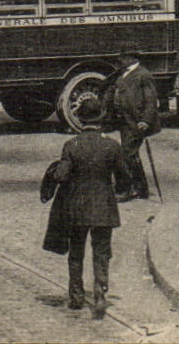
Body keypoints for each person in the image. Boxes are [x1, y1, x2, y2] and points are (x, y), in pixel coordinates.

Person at [54, 95, 127, 316]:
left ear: (81, 118)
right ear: (101, 118)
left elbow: (62, 175)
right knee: (102, 252)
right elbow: (124, 177)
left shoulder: (71, 145)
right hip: (104, 207)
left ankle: (76, 296)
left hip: (77, 208)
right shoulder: (112, 146)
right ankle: (100, 292)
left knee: (76, 253)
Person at [108, 52, 160, 202]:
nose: (120, 60)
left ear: (132, 58)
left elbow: (151, 100)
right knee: (131, 154)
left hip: (137, 122)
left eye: (123, 58)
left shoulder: (143, 75)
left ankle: (127, 189)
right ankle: (141, 188)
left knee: (127, 154)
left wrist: (146, 120)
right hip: (125, 121)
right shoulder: (123, 73)